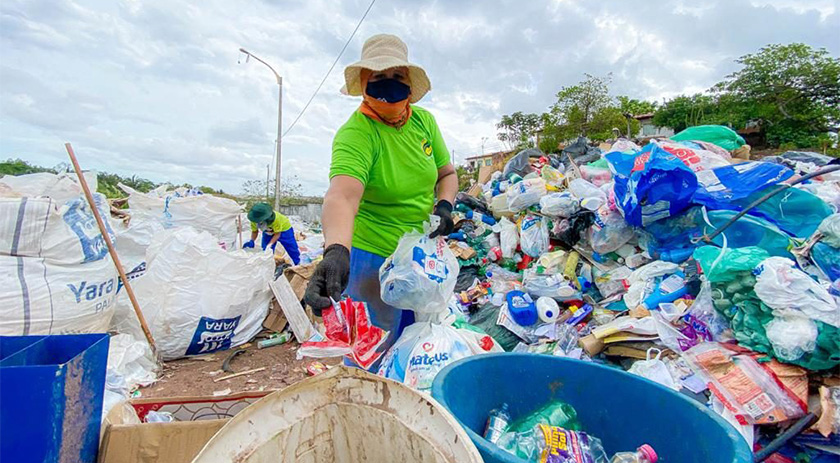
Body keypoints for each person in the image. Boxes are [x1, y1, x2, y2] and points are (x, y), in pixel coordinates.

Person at [303, 34, 458, 370]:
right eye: (378, 77)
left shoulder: (424, 122)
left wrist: (445, 205)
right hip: (371, 258)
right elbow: (342, 195)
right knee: (371, 351)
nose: (389, 86)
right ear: (363, 83)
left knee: (417, 346)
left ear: (410, 84)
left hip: (419, 257)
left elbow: (447, 173)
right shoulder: (357, 133)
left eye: (398, 77)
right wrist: (336, 252)